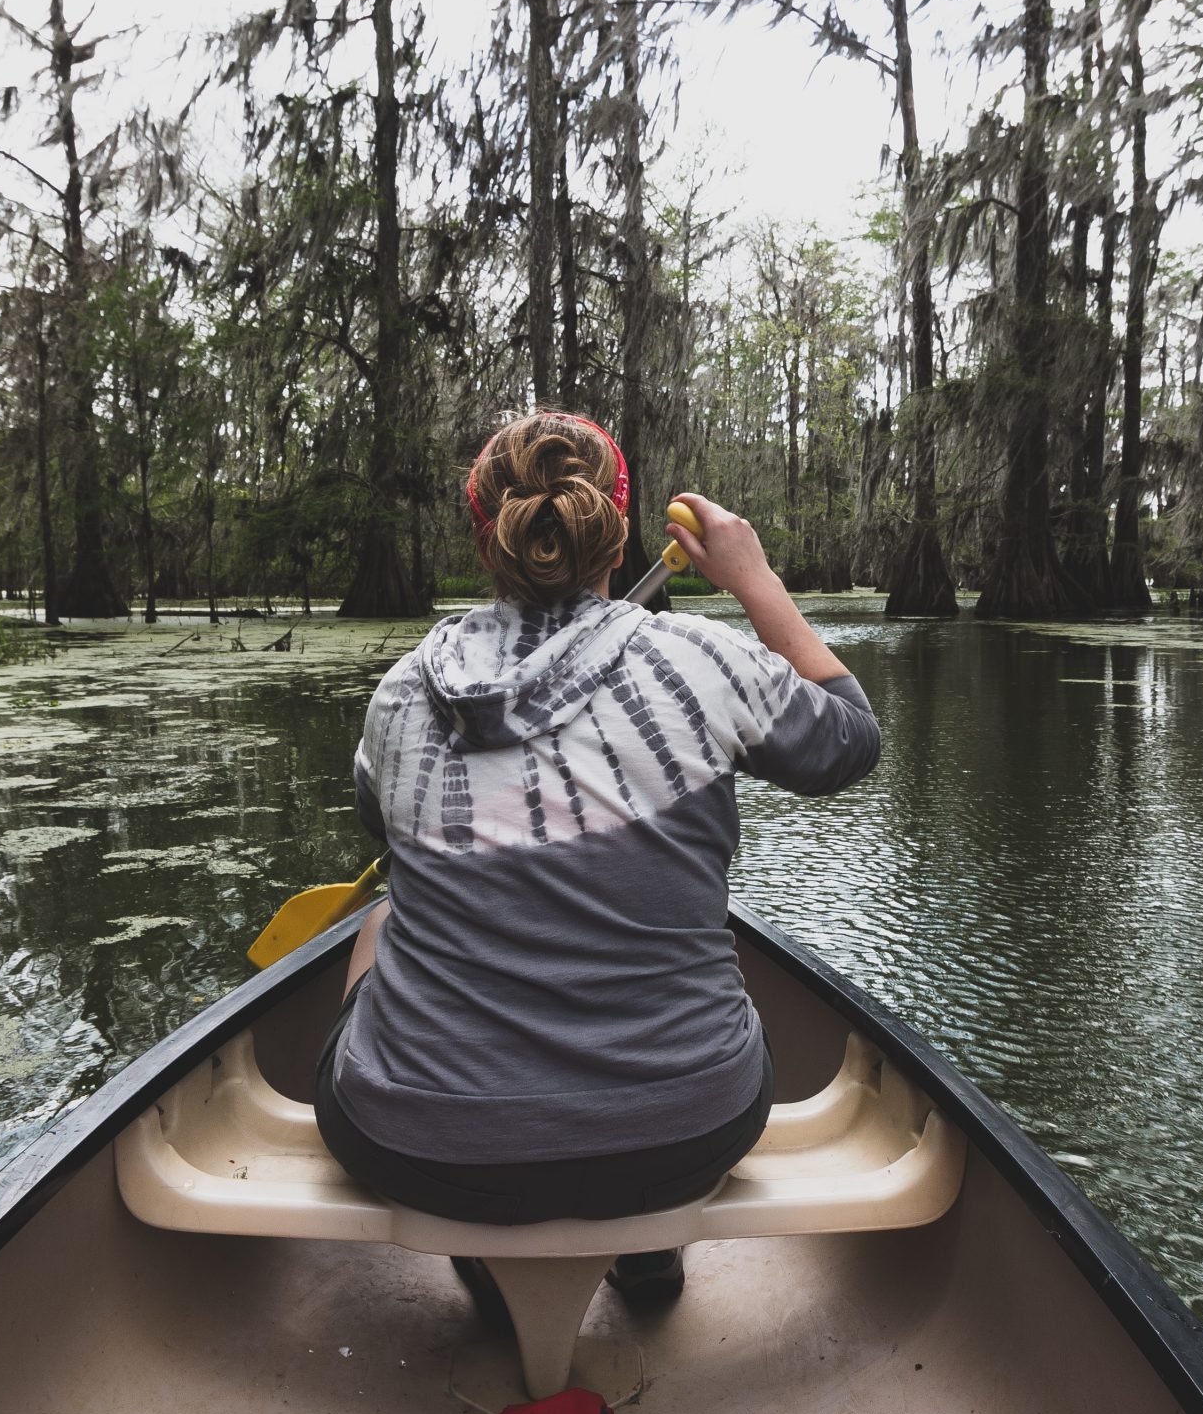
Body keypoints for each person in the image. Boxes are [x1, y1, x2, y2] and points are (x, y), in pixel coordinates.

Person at [313, 409, 880, 1312]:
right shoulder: (705, 659)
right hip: (687, 1131)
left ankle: (489, 1267)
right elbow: (850, 739)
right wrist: (755, 580)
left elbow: (380, 828)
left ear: (485, 539)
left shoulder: (399, 692)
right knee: (713, 942)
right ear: (616, 535)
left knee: (382, 917)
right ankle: (648, 1256)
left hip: (419, 1145)